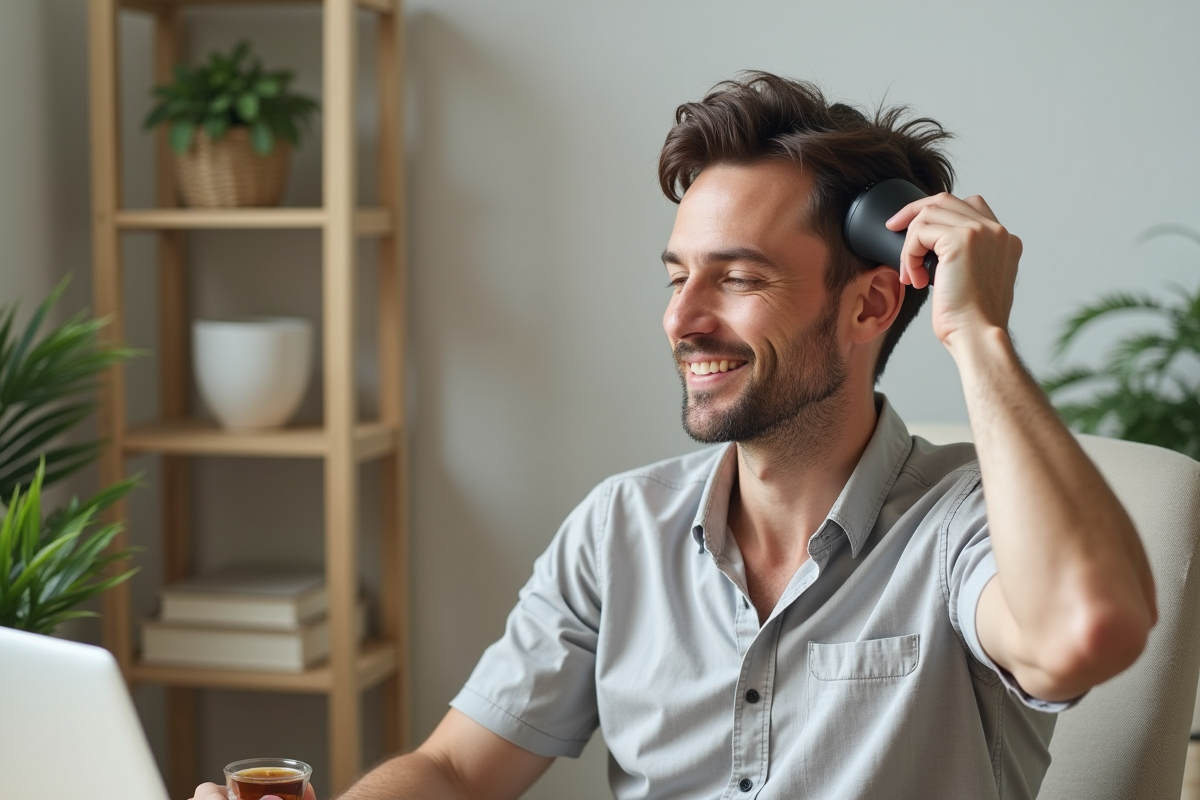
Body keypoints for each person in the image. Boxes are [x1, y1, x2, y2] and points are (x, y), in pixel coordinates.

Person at [192, 72, 1157, 800]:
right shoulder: (619, 529)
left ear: (871, 303)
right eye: (675, 277)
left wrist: (974, 331)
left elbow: (1085, 630)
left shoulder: (963, 529)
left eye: (735, 280)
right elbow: (453, 769)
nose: (682, 320)